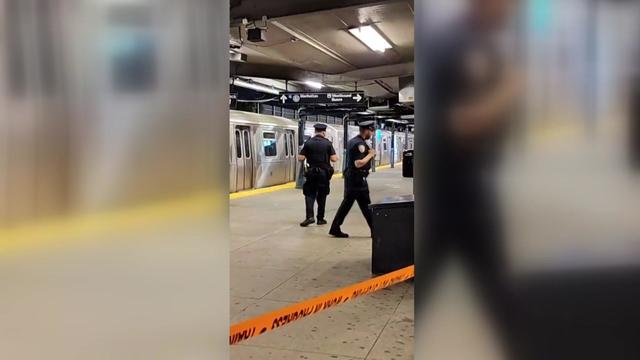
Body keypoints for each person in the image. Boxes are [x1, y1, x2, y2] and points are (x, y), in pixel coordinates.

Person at [417, 0, 523, 358]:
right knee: (497, 292)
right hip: (454, 197)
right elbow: (455, 125)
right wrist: (509, 91)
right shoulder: (452, 44)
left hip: (469, 191)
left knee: (496, 294)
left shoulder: (482, 45)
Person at [329, 120, 376, 238]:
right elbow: (358, 163)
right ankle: (376, 230)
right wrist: (371, 154)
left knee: (348, 203)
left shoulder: (352, 141)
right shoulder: (359, 144)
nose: (372, 134)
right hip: (358, 178)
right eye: (372, 131)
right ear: (367, 130)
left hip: (352, 178)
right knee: (365, 205)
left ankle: (335, 227)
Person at [298, 123, 338, 227]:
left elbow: (300, 158)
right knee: (322, 195)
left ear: (315, 131)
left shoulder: (308, 143)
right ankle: (320, 219)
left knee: (309, 194)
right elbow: (334, 158)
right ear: (324, 132)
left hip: (311, 172)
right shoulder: (328, 143)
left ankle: (309, 217)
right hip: (324, 174)